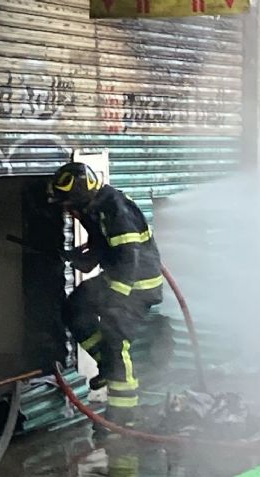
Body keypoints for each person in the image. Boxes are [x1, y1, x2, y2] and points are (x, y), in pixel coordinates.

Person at [47, 161, 163, 430]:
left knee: (115, 339)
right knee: (75, 308)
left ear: (81, 193)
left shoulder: (113, 208)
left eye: (68, 202)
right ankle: (107, 366)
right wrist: (79, 258)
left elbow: (129, 254)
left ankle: (122, 415)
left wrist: (118, 298)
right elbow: (102, 250)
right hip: (117, 280)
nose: (67, 210)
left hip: (138, 285)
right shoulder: (90, 208)